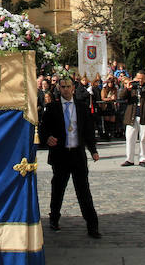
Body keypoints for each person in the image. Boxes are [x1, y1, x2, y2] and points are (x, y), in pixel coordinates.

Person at [40, 77, 102, 238]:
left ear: (73, 88)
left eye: (68, 86)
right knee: (58, 189)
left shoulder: (81, 107)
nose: (66, 89)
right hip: (60, 155)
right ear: (58, 89)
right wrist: (47, 138)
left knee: (84, 191)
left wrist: (93, 150)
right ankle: (54, 218)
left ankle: (92, 225)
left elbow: (88, 131)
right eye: (63, 87)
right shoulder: (52, 108)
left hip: (77, 154)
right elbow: (43, 129)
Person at [119, 72, 145, 167]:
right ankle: (129, 159)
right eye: (138, 78)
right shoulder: (131, 88)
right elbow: (121, 97)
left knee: (143, 139)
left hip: (144, 116)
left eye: (142, 78)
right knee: (130, 138)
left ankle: (142, 159)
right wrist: (127, 88)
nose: (140, 80)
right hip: (132, 116)